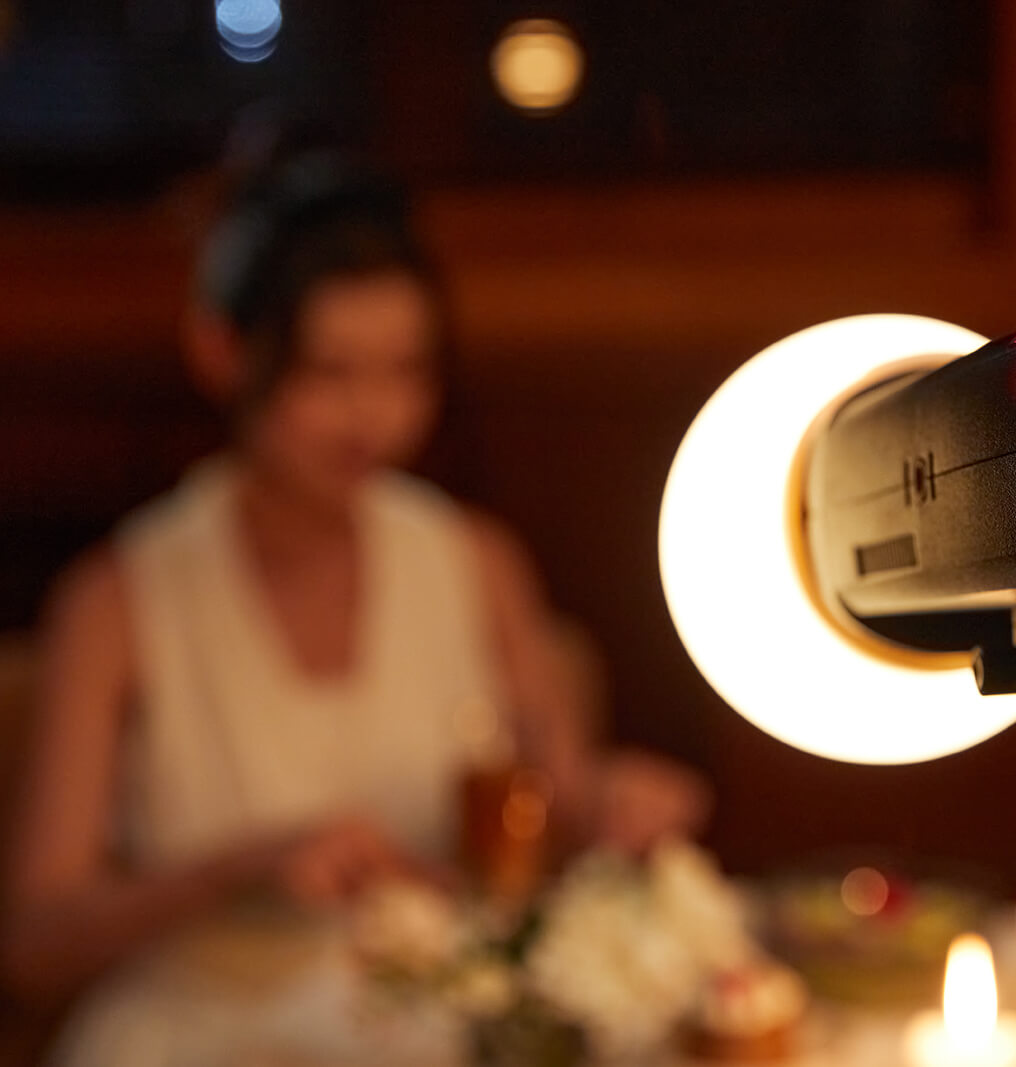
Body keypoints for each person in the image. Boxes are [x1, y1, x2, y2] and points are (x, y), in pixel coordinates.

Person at [0, 154, 708, 1063]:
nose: (373, 415)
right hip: (198, 1025)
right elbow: (35, 945)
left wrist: (614, 802)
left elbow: (552, 804)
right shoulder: (118, 598)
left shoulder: (472, 559)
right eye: (329, 373)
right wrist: (237, 871)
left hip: (421, 1010)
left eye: (405, 371)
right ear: (222, 350)